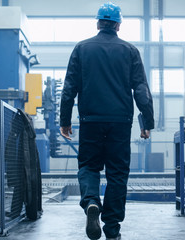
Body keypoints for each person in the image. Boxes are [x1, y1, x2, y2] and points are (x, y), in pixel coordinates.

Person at [59, 2, 154, 240]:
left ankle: (91, 202)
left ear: (98, 22)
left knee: (89, 166)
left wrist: (64, 120)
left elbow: (69, 88)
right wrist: (147, 123)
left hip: (90, 120)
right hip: (120, 121)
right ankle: (112, 227)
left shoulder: (82, 48)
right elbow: (141, 89)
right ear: (118, 25)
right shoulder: (130, 50)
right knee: (117, 173)